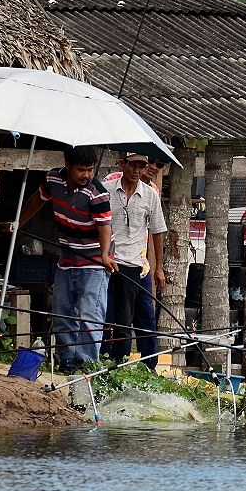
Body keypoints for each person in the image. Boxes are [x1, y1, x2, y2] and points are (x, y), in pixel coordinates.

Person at [11, 145, 115, 372]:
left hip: (95, 261)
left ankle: (86, 367)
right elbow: (37, 200)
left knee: (90, 316)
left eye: (89, 170)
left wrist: (106, 255)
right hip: (67, 257)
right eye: (81, 170)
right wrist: (18, 224)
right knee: (61, 312)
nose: (86, 175)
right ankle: (68, 362)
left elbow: (104, 226)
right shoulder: (52, 179)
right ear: (67, 166)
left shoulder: (96, 192)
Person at [102, 153, 167, 364]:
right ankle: (108, 360)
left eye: (142, 166)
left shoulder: (150, 194)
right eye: (133, 165)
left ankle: (148, 364)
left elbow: (158, 231)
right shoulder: (107, 188)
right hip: (109, 261)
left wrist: (159, 268)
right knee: (108, 316)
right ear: (123, 165)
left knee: (141, 318)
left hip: (137, 265)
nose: (137, 170)